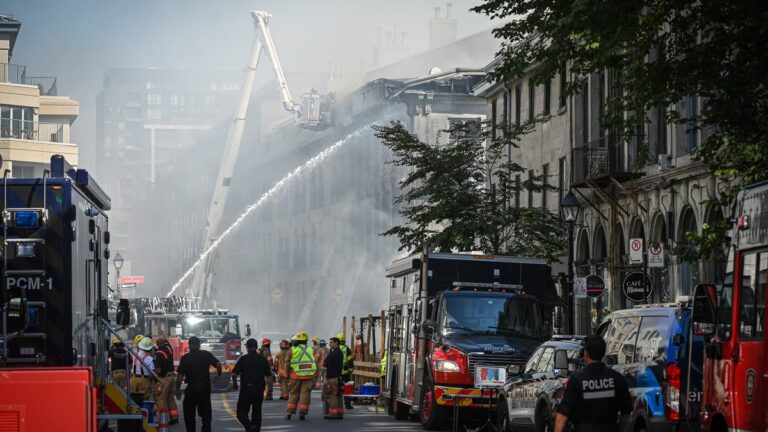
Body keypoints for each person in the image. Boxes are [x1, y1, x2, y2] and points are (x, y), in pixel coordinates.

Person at [555, 335, 632, 432]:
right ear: (603, 353)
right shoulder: (617, 379)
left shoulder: (577, 380)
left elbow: (561, 417)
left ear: (586, 354)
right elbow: (626, 412)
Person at [176, 336, 222, 432]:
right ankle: (205, 428)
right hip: (204, 388)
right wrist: (219, 375)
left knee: (189, 413)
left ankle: (191, 429)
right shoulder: (206, 354)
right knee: (206, 411)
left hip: (191, 389)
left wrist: (177, 390)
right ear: (199, 345)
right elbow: (218, 364)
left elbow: (180, 376)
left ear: (189, 346)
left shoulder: (185, 358)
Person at [232, 339, 272, 432]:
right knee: (257, 412)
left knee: (241, 413)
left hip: (246, 391)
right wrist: (269, 390)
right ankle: (255, 429)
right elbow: (269, 376)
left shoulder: (243, 359)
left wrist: (235, 384)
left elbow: (234, 374)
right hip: (258, 391)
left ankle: (249, 426)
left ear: (247, 347)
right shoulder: (263, 360)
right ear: (257, 347)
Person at [284, 331, 316, 421]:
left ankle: (289, 413)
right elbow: (316, 363)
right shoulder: (311, 349)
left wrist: (286, 374)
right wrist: (315, 376)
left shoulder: (292, 350)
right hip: (309, 376)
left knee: (294, 394)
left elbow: (287, 363)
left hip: (295, 376)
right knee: (305, 395)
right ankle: (302, 413)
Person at [154, 336, 179, 426]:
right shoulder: (169, 348)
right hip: (172, 376)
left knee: (160, 399)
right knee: (170, 398)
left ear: (159, 344)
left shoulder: (160, 353)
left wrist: (153, 375)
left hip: (164, 378)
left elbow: (158, 370)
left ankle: (162, 419)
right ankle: (174, 418)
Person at [323, 337, 344, 420]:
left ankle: (333, 414)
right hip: (339, 378)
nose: (330, 344)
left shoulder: (333, 353)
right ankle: (339, 414)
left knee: (332, 396)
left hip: (332, 378)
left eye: (331, 342)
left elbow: (326, 362)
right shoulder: (340, 352)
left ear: (336, 343)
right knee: (339, 396)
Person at [130, 336, 155, 403]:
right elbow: (152, 373)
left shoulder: (134, 354)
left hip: (133, 379)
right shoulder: (149, 359)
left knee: (132, 399)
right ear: (150, 349)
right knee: (144, 400)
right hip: (144, 380)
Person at [337, 333, 354, 409]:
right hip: (345, 373)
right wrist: (350, 371)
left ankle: (336, 404)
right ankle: (347, 404)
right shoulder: (347, 349)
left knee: (336, 388)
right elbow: (350, 361)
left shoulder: (334, 349)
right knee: (347, 389)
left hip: (336, 373)